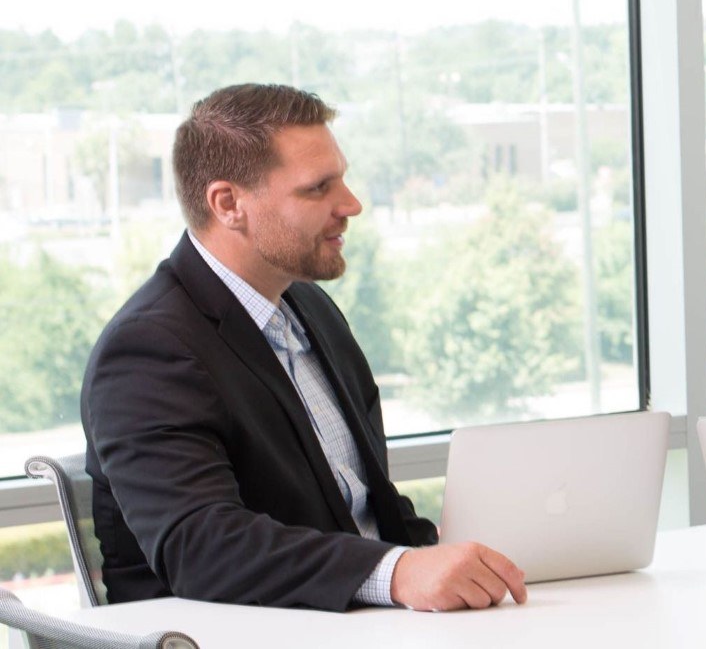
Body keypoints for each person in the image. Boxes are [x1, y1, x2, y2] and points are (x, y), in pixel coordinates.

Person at [81, 83, 527, 611]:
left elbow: (369, 510)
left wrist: (462, 564)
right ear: (228, 204)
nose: (351, 204)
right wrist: (398, 573)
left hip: (356, 626)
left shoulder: (310, 310)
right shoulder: (146, 351)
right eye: (318, 188)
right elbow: (203, 551)